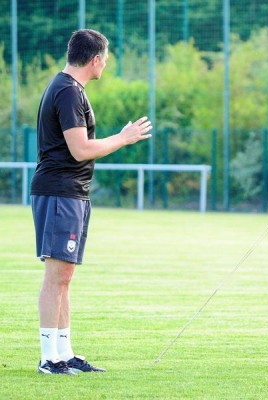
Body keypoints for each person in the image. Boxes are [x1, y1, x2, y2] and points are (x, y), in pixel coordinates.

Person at [31, 29, 152, 375]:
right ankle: (47, 357)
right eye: (106, 58)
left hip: (72, 192)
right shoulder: (68, 91)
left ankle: (64, 352)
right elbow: (80, 149)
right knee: (56, 274)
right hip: (59, 191)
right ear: (96, 59)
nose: (106, 64)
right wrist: (123, 138)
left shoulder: (71, 88)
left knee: (64, 275)